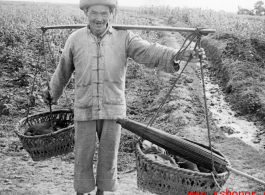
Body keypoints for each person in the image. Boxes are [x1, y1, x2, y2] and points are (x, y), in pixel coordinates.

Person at [43, 0, 205, 194]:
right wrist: (53, 93)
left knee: (108, 156)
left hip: (113, 108)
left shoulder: (124, 37)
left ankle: (101, 192)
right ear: (85, 12)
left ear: (112, 14)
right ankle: (81, 191)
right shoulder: (75, 39)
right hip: (84, 106)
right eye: (94, 12)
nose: (99, 18)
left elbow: (149, 51)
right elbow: (63, 70)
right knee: (82, 155)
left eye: (104, 13)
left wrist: (179, 54)